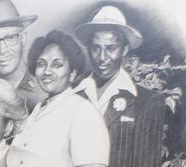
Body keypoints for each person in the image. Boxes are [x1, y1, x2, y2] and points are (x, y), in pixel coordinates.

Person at [74, 5, 165, 167]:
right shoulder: (73, 95)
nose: (102, 57)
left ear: (124, 50)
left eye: (110, 48)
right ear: (88, 49)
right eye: (96, 48)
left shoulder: (148, 101)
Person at [6, 30, 110, 167]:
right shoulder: (37, 111)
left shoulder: (83, 112)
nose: (47, 71)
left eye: (57, 65)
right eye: (41, 64)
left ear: (72, 74)